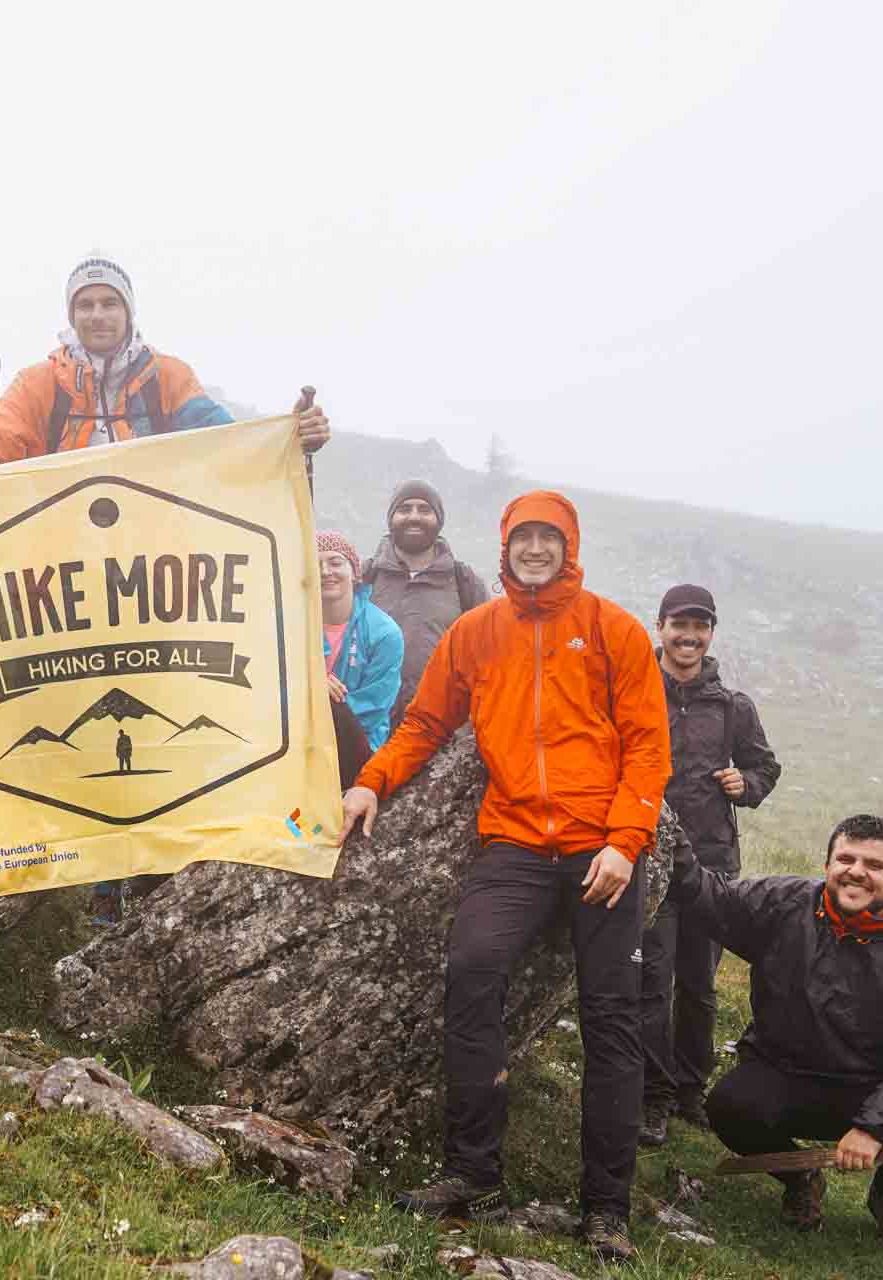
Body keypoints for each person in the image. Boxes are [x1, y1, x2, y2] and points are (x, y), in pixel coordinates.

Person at [340, 490, 670, 1263]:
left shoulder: (613, 629)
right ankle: (474, 1174)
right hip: (516, 843)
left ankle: (606, 1207)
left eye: (548, 538)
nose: (534, 550)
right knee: (471, 971)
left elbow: (649, 746)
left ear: (570, 546)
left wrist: (626, 841)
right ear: (504, 545)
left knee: (613, 1018)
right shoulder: (476, 631)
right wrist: (372, 781)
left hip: (606, 850)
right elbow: (425, 722)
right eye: (522, 537)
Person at [669, 814, 883, 1258]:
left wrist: (874, 1127)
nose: (856, 871)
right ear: (828, 864)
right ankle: (800, 1178)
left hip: (877, 1089)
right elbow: (710, 897)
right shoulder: (785, 903)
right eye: (845, 858)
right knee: (730, 1105)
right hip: (788, 1074)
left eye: (874, 865)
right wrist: (667, 835)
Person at [0, 255, 330, 490]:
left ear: (129, 311)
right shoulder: (39, 384)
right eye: (85, 304)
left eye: (110, 302)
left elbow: (227, 441)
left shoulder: (168, 378)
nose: (98, 315)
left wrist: (292, 436)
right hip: (58, 556)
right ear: (71, 314)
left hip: (156, 555)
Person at [639, 583, 782, 1148]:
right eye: (680, 625)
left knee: (697, 986)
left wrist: (743, 783)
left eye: (700, 627)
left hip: (712, 865)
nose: (689, 636)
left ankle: (688, 1094)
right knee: (651, 981)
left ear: (711, 634)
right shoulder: (634, 690)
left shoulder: (732, 707)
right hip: (646, 859)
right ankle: (651, 1097)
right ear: (660, 627)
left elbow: (764, 769)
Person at [361, 480, 490, 722]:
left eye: (424, 509)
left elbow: (489, 660)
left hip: (442, 731)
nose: (414, 517)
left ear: (439, 519)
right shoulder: (364, 577)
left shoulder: (465, 583)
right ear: (391, 518)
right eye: (404, 509)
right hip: (372, 729)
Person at [317, 531, 404, 784]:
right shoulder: (290, 623)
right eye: (315, 564)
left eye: (335, 562)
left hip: (358, 749)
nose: (325, 572)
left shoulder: (384, 632)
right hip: (298, 744)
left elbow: (373, 708)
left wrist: (316, 699)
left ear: (354, 571)